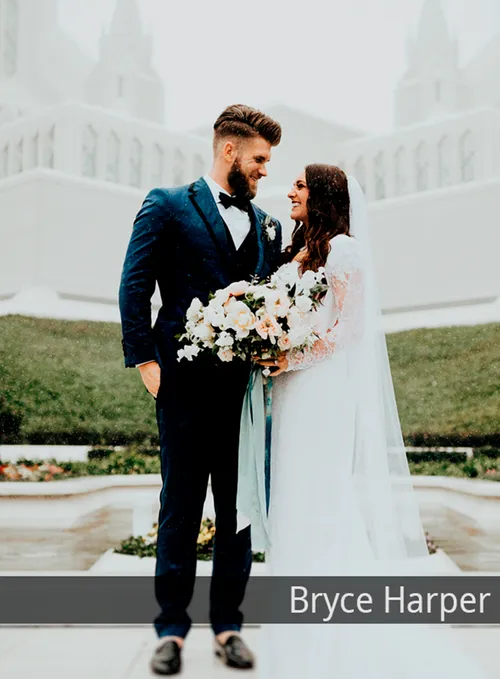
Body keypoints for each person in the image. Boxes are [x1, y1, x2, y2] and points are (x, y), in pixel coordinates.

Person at [250, 164, 488, 678]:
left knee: (319, 500)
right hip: (290, 391)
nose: (290, 192)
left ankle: (333, 637)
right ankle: (294, 633)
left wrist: (292, 357)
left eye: (300, 185)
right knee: (291, 500)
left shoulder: (344, 251)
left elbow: (349, 331)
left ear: (323, 196)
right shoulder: (301, 252)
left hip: (321, 392)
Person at [118, 104, 282, 675]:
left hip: (244, 396)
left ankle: (229, 626)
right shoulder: (167, 204)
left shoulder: (269, 226)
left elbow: (276, 299)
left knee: (239, 514)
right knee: (180, 510)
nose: (265, 170)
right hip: (182, 389)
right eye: (259, 158)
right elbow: (135, 284)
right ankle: (171, 630)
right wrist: (145, 361)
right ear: (229, 150)